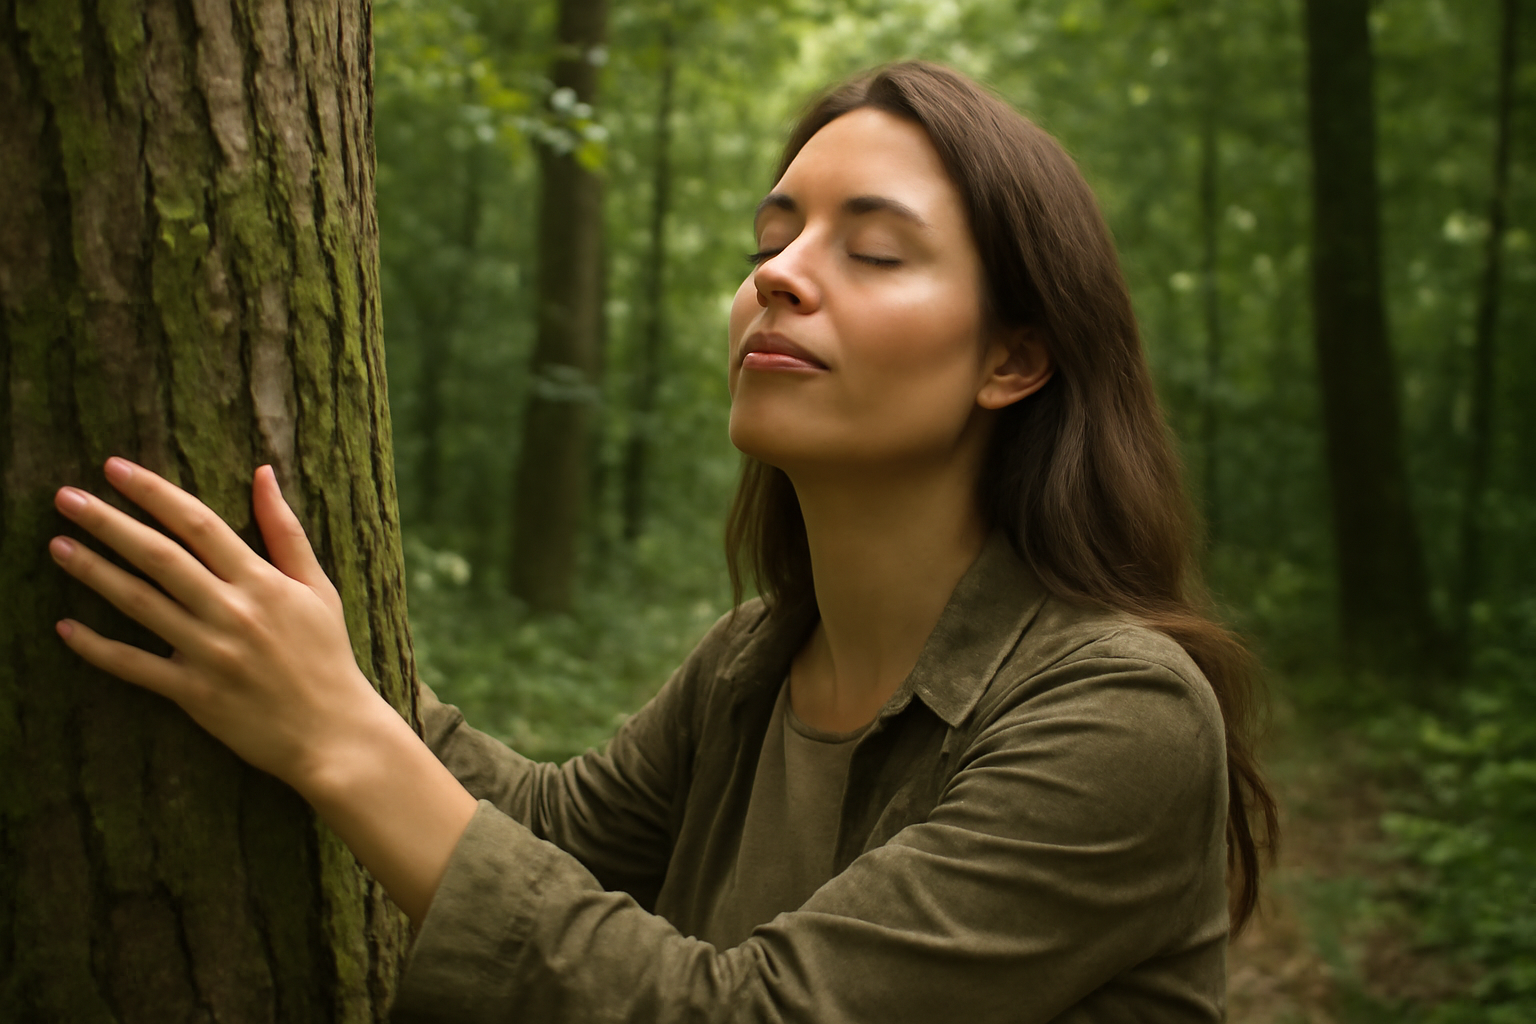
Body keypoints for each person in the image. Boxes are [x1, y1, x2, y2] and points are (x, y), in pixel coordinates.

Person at [48, 61, 1275, 1022]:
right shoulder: (753, 664)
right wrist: (311, 660)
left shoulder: (1122, 715)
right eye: (771, 239)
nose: (779, 278)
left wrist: (340, 735)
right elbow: (545, 833)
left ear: (1013, 358)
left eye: (875, 249)